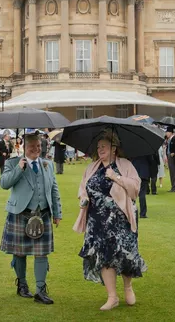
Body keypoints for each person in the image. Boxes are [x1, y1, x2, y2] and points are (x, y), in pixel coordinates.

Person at [73, 130, 146, 311]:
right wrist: (83, 198)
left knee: (125, 254)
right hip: (97, 221)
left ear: (114, 148)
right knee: (104, 256)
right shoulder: (92, 167)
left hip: (121, 221)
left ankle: (128, 287)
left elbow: (135, 189)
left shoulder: (125, 165)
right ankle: (112, 297)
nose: (100, 150)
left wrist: (116, 177)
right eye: (98, 147)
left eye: (104, 146)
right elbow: (84, 187)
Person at [0, 134, 62, 305]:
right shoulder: (12, 163)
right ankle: (22, 285)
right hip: (20, 214)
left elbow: (54, 190)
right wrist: (19, 168)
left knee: (42, 253)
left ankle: (40, 291)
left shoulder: (47, 164)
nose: (36, 149)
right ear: (23, 148)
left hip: (42, 215)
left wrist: (57, 213)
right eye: (31, 147)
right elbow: (4, 183)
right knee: (19, 253)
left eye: (38, 146)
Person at [166, 127, 175, 192]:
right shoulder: (169, 139)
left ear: (171, 133)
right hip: (169, 156)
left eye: (167, 132)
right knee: (171, 172)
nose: (166, 134)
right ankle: (173, 186)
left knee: (173, 172)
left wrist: (174, 152)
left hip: (173, 157)